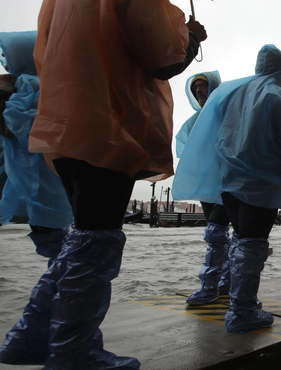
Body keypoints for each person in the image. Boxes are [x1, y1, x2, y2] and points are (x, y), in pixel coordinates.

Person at [2, 2, 206, 368]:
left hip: (64, 125)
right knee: (96, 243)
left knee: (82, 240)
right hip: (107, 123)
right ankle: (73, 352)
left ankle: (31, 337)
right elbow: (163, 58)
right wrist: (190, 38)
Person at [173, 45, 281, 333]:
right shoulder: (278, 96)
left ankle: (228, 296)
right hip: (259, 185)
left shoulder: (232, 94)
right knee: (252, 247)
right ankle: (243, 312)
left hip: (228, 184)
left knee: (240, 243)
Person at [0, 31, 73, 264]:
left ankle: (55, 292)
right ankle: (57, 290)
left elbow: (21, 128)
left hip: (41, 180)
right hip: (50, 181)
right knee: (60, 245)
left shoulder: (30, 90)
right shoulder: (60, 90)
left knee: (56, 242)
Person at [175, 71, 233, 306]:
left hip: (228, 185)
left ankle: (209, 286)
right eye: (196, 87)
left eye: (204, 86)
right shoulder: (193, 122)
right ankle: (227, 281)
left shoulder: (227, 114)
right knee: (217, 233)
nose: (199, 90)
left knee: (216, 233)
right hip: (207, 189)